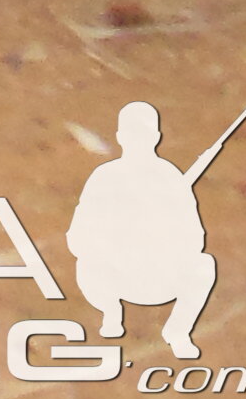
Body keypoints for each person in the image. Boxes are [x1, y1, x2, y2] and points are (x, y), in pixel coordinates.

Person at [67, 101, 223, 360]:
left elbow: (195, 238)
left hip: (160, 275)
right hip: (114, 276)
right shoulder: (105, 177)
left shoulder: (170, 179)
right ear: (120, 137)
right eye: (132, 133)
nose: (139, 139)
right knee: (88, 264)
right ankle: (111, 313)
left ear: (156, 136)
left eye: (144, 132)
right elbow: (79, 235)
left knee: (204, 266)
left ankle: (178, 330)